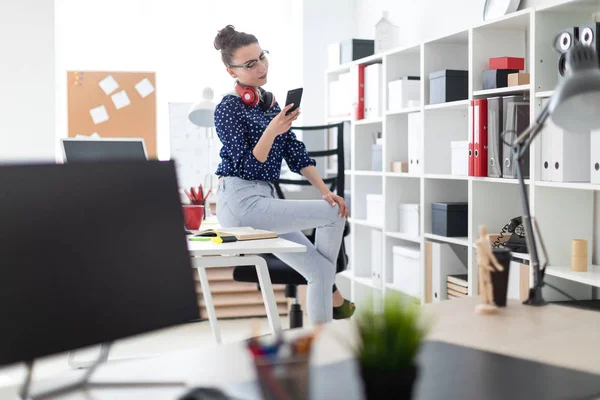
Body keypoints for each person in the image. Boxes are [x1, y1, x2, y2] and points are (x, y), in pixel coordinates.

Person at [212, 25, 354, 324]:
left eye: (262, 57)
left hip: (262, 199)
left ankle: (321, 338)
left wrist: (324, 191)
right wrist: (271, 130)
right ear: (231, 71)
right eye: (250, 64)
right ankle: (334, 297)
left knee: (319, 268)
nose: (262, 67)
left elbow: (295, 152)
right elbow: (249, 166)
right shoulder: (227, 108)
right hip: (240, 201)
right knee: (336, 215)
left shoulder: (270, 105)